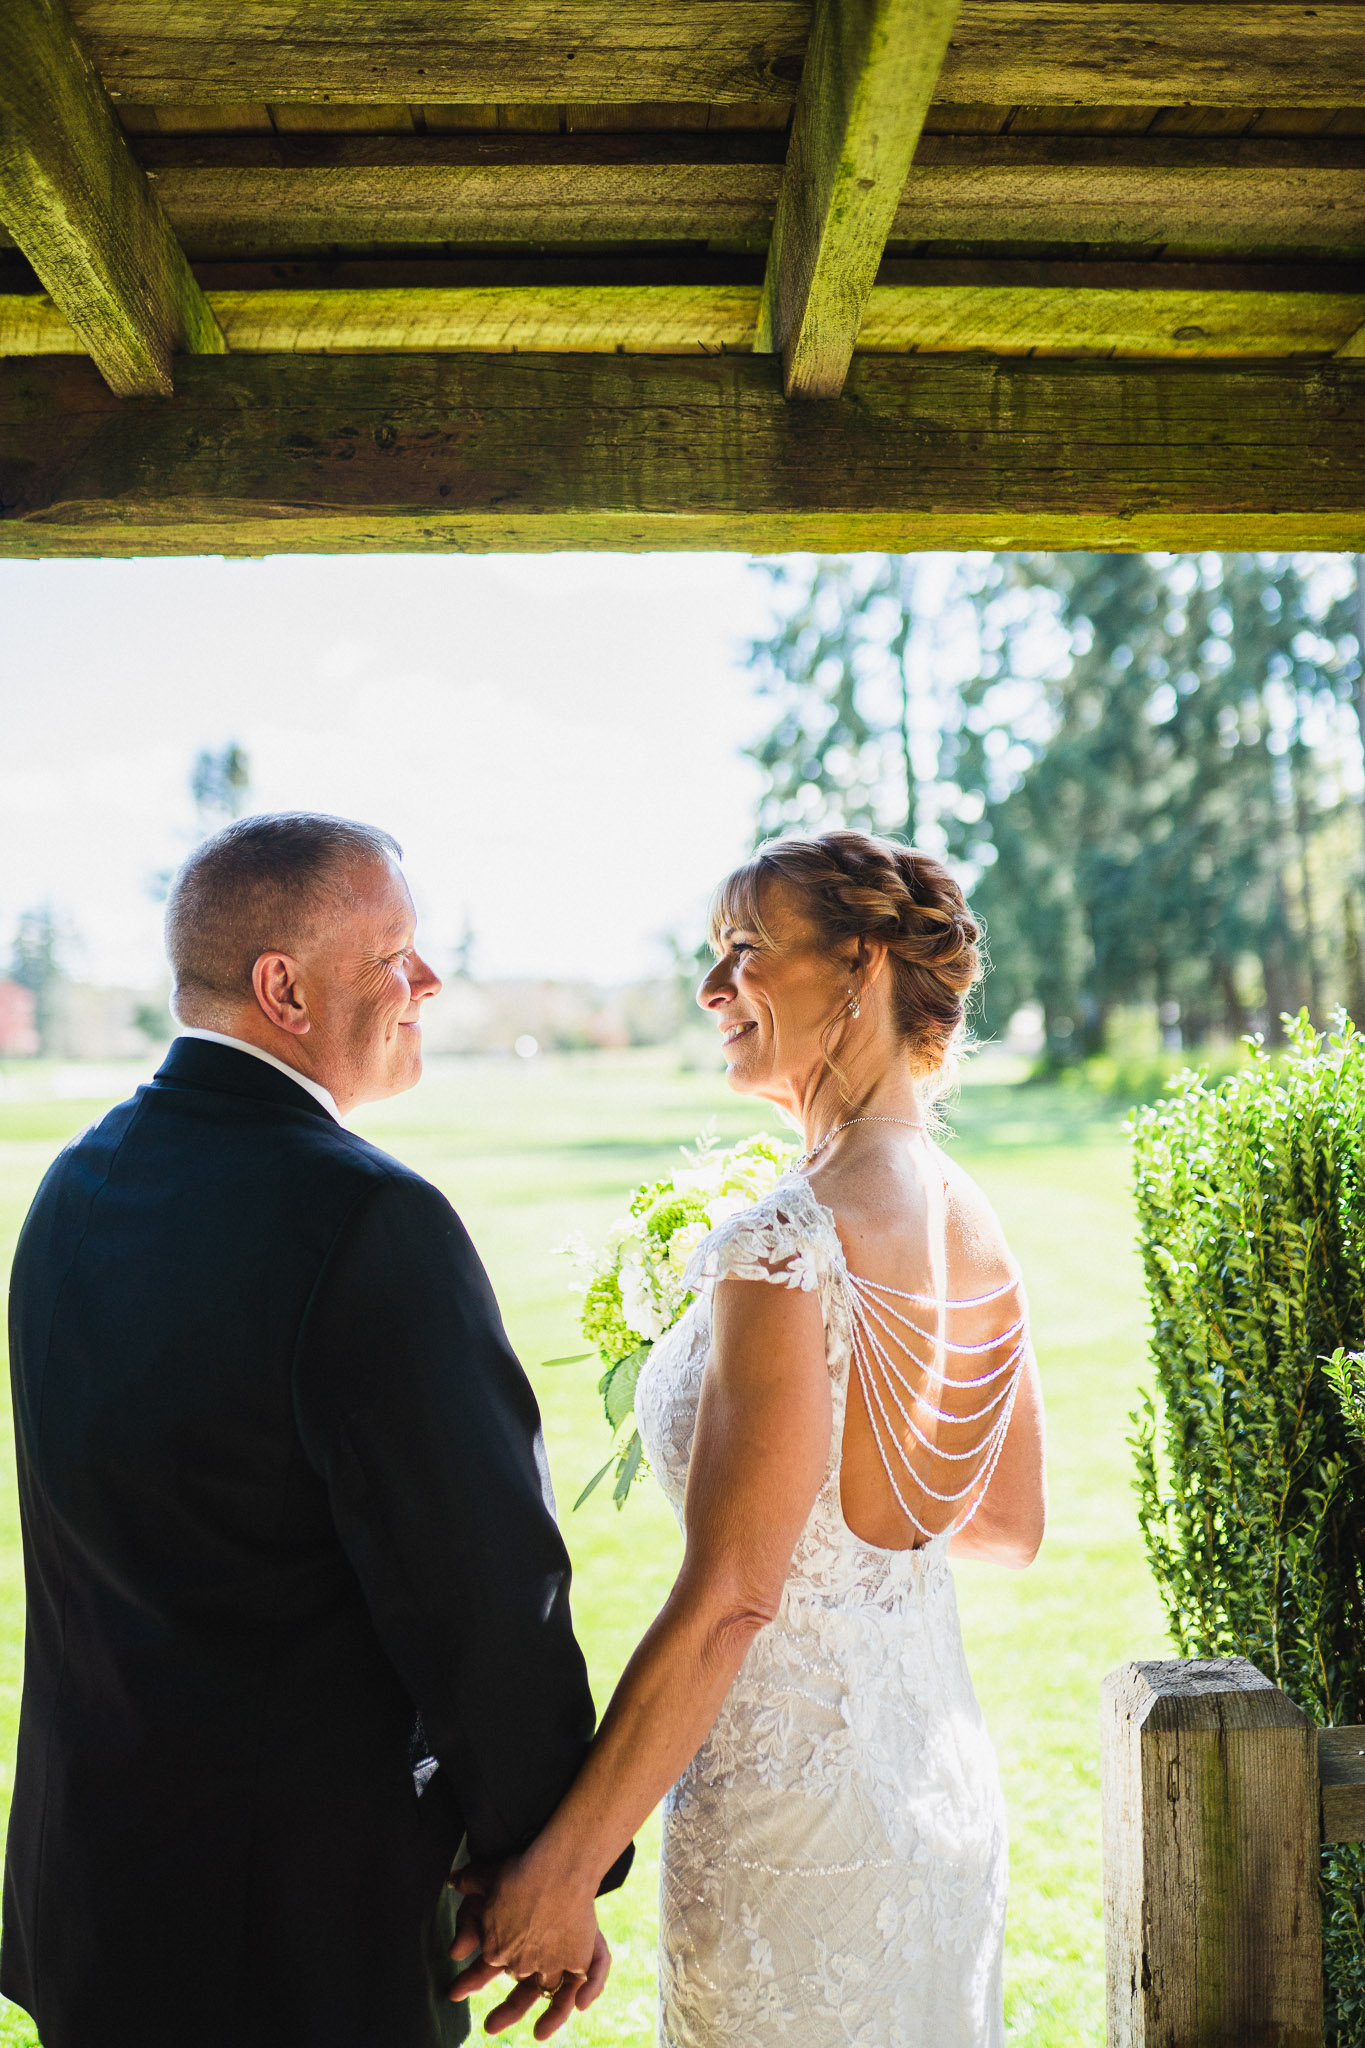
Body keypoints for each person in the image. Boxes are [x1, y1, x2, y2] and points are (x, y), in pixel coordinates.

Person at [2, 812, 627, 2048]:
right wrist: (552, 1861)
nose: (428, 981)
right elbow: (485, 1592)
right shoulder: (369, 1219)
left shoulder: (72, 1184)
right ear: (283, 988)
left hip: (99, 1897)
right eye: (395, 954)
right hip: (298, 1935)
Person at [453, 829, 1046, 2047]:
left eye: (743, 950)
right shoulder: (974, 1216)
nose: (711, 988)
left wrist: (565, 1864)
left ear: (861, 963)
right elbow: (1004, 1524)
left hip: (796, 1834)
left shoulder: (786, 1238)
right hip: (934, 1792)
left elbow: (732, 1595)